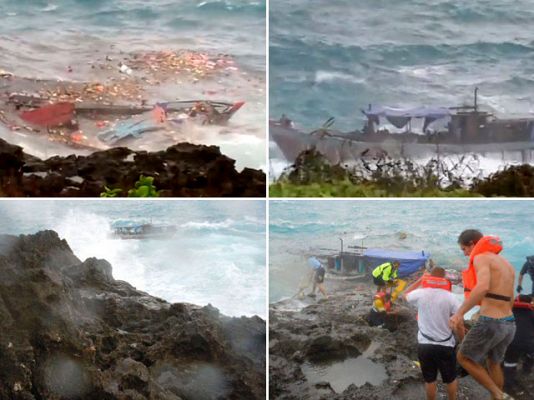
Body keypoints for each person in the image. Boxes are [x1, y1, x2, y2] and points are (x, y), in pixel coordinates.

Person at [449, 229, 516, 400]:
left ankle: (497, 394)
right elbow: (511, 297)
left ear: (472, 244)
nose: (465, 254)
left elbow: (483, 287)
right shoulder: (506, 263)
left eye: (464, 249)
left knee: (463, 357)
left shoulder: (481, 257)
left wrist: (459, 313)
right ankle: (498, 397)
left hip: (491, 322)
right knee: (494, 363)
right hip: (509, 322)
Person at [404, 267, 463, 400]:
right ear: (444, 278)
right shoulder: (451, 297)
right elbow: (459, 323)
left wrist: (420, 280)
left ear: (430, 277)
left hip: (425, 345)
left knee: (430, 380)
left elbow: (405, 294)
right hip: (446, 345)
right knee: (450, 379)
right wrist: (462, 340)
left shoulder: (421, 293)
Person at [503, 294, 534, 395]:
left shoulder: (509, 312)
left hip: (511, 343)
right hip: (528, 344)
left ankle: (508, 385)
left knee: (510, 363)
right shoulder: (532, 314)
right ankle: (526, 368)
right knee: (531, 355)